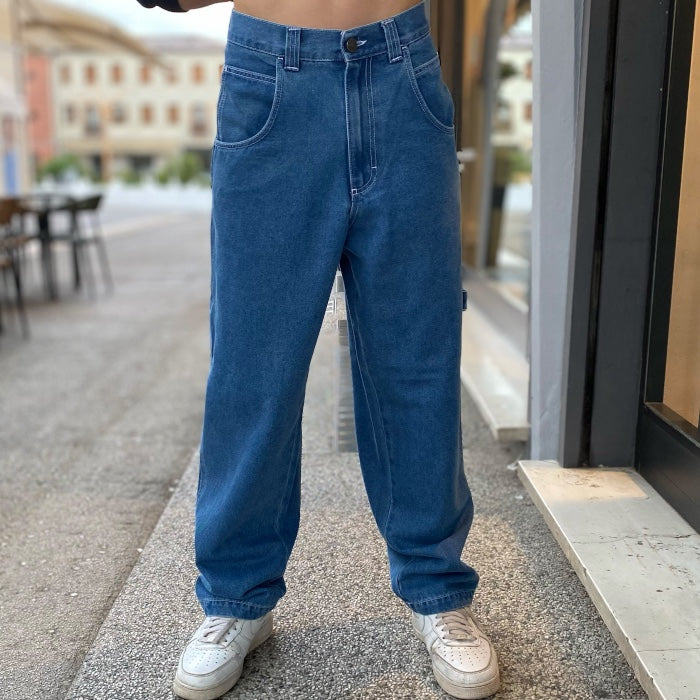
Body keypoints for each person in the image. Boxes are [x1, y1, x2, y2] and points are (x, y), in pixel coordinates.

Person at [136, 1, 501, 698]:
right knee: (253, 364)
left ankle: (437, 589)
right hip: (271, 83)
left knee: (416, 357)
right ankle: (237, 597)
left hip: (402, 75)